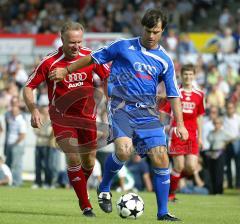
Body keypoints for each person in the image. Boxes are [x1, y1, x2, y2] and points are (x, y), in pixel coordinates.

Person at [49, 8, 188, 221]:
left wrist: (180, 123)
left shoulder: (164, 60)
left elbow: (173, 94)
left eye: (156, 31)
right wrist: (67, 70)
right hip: (121, 108)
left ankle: (163, 213)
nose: (151, 36)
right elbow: (93, 59)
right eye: (148, 30)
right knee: (124, 151)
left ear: (163, 32)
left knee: (161, 158)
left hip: (148, 113)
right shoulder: (122, 45)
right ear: (142, 28)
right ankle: (104, 187)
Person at [23, 21, 109, 217]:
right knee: (72, 155)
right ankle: (86, 206)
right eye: (72, 42)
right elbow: (28, 87)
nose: (76, 46)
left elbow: (107, 76)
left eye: (79, 41)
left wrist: (110, 97)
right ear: (62, 40)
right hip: (62, 117)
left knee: (89, 162)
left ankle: (80, 185)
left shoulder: (90, 56)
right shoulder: (49, 62)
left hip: (87, 117)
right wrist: (34, 109)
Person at [159, 64, 205, 201]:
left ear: (194, 76)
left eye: (190, 74)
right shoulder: (174, 92)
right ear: (181, 75)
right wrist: (164, 128)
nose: (188, 77)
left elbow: (200, 118)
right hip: (177, 133)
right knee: (179, 166)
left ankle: (173, 180)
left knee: (191, 167)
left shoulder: (200, 95)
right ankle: (170, 194)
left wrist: (201, 138)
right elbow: (164, 112)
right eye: (185, 74)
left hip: (192, 134)